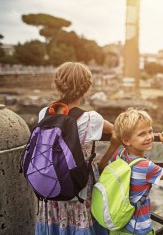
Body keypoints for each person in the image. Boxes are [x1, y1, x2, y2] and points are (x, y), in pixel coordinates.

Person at [34, 62, 114, 235]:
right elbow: (117, 132)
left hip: (51, 182)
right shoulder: (92, 119)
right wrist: (103, 161)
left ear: (56, 85)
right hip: (79, 186)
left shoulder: (44, 114)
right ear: (87, 88)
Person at [98, 108, 163, 235]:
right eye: (142, 134)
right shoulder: (145, 166)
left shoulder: (119, 155)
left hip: (118, 224)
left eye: (150, 131)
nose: (149, 137)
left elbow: (102, 167)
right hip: (138, 228)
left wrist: (113, 145)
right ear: (126, 140)